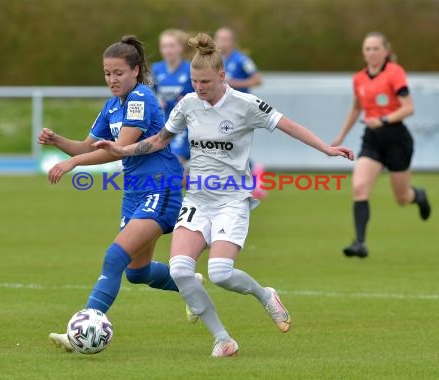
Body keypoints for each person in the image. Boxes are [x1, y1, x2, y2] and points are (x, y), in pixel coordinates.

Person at [93, 33, 354, 357]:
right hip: (197, 200)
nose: (199, 88)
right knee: (179, 270)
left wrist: (326, 148)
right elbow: (160, 139)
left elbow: (289, 125)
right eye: (194, 81)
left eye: (205, 81)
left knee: (220, 273)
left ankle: (264, 294)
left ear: (222, 76)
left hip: (232, 200)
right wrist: (122, 149)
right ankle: (223, 339)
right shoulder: (188, 104)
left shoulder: (246, 105)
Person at [38, 36, 184, 351]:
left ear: (135, 71)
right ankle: (188, 284)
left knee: (115, 256)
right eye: (107, 73)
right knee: (137, 271)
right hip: (135, 192)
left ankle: (84, 326)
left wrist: (74, 163)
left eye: (118, 73)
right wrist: (59, 141)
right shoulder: (112, 106)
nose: (111, 79)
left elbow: (118, 151)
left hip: (160, 186)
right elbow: (86, 147)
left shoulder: (140, 98)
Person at [331, 31, 431, 259]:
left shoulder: (395, 73)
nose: (372, 52)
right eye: (367, 49)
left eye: (376, 48)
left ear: (386, 52)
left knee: (402, 198)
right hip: (372, 139)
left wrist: (385, 119)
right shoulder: (359, 78)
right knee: (359, 188)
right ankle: (359, 243)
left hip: (397, 138)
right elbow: (357, 108)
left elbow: (408, 108)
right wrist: (341, 136)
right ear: (363, 53)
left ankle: (419, 195)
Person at [214, 26, 267, 199]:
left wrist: (234, 83)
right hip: (222, 108)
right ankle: (250, 174)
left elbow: (257, 79)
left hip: (240, 108)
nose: (222, 42)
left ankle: (254, 175)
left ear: (232, 40)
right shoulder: (215, 60)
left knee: (232, 141)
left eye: (225, 38)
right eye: (219, 38)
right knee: (227, 143)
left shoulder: (242, 59)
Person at [151, 29, 195, 165]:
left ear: (180, 47)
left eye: (172, 46)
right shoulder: (155, 69)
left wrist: (191, 100)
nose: (168, 50)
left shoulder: (191, 68)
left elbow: (205, 95)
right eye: (164, 46)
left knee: (174, 162)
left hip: (185, 125)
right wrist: (155, 101)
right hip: (163, 124)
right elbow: (147, 93)